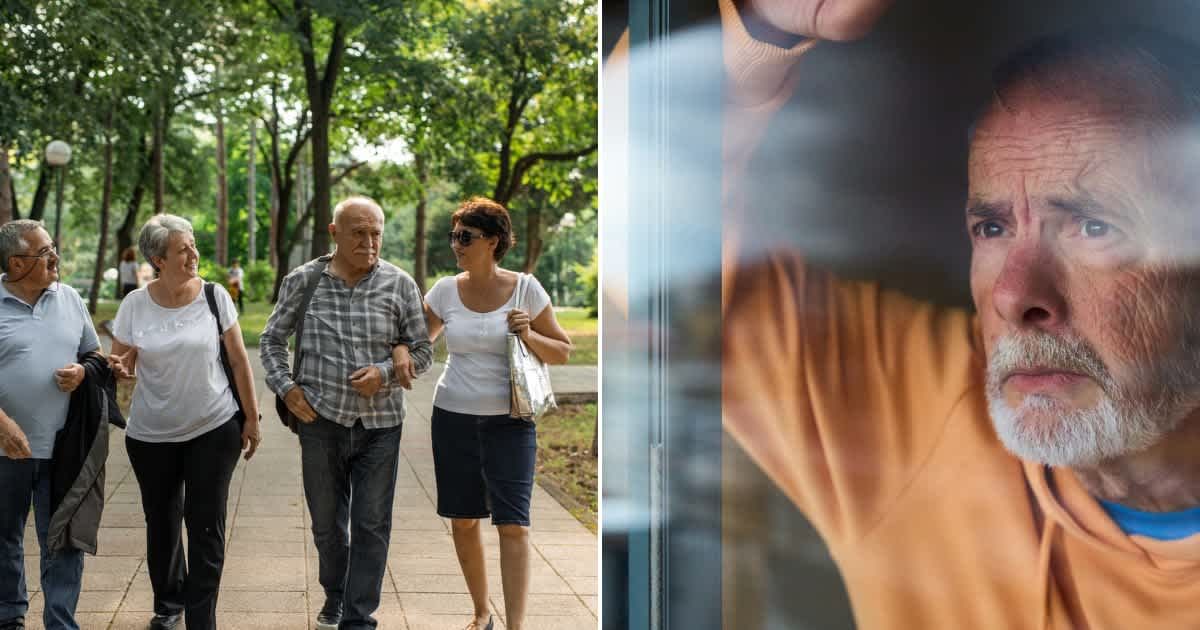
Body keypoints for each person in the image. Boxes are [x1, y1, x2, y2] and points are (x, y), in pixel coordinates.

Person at [722, 1, 1200, 627]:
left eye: (1092, 225)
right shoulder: (920, 407)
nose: (1013, 295)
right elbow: (651, 258)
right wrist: (763, 24)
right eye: (993, 226)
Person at [260, 196, 433, 630]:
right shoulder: (303, 281)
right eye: (359, 232)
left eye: (376, 233)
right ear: (334, 233)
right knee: (327, 526)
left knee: (372, 524)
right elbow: (270, 341)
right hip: (321, 422)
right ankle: (335, 595)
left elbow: (424, 350)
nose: (369, 242)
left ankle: (359, 617)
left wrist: (385, 372)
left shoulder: (399, 284)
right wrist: (287, 389)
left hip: (381, 426)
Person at [422, 197, 572, 630]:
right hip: (452, 417)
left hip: (511, 422)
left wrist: (527, 334)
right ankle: (481, 612)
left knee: (514, 525)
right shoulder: (445, 290)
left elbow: (562, 352)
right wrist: (396, 354)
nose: (456, 244)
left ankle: (516, 626)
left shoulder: (527, 288)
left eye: (464, 237)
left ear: (492, 241)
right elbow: (420, 342)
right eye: (454, 236)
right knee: (464, 519)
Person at [108, 214, 261, 630]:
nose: (193, 254)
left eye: (193, 245)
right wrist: (117, 370)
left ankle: (201, 617)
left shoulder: (214, 296)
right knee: (161, 524)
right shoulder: (135, 305)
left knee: (206, 524)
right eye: (182, 249)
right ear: (158, 259)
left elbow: (238, 359)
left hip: (213, 426)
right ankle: (169, 602)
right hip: (150, 434)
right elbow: (119, 360)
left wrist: (250, 416)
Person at [0, 220, 100, 630]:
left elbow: (94, 355)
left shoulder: (70, 298)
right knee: (3, 539)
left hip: (64, 447)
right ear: (15, 263)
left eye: (52, 248)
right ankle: (9, 617)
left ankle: (61, 622)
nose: (54, 258)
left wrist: (82, 371)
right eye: (43, 254)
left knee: (64, 540)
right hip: (5, 451)